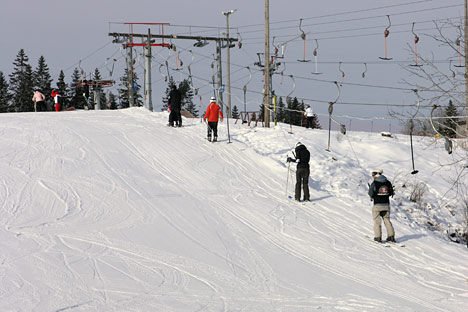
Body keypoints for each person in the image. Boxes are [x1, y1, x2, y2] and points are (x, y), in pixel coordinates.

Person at [368, 169, 396, 243]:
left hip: (377, 205)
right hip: (386, 204)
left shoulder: (374, 183)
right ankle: (391, 236)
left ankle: (378, 237)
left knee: (377, 221)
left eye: (374, 174)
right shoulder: (388, 182)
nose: (373, 175)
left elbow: (370, 193)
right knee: (387, 220)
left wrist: (374, 195)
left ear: (378, 174)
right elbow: (390, 193)